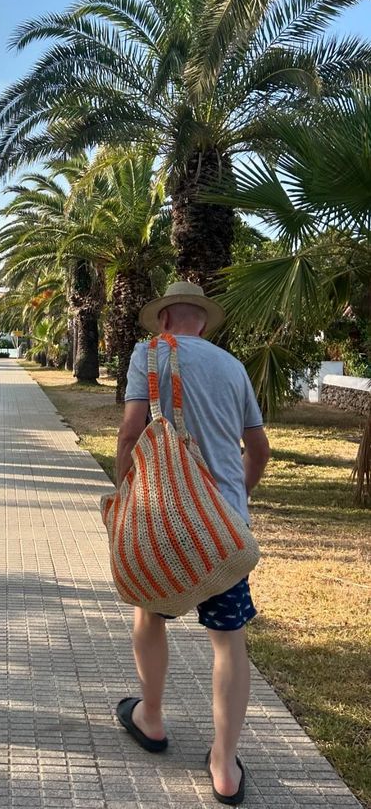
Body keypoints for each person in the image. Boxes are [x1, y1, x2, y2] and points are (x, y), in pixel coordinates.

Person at [114, 281, 270, 807]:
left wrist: (123, 496)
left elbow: (131, 432)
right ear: (202, 323)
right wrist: (234, 497)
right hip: (224, 528)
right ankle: (224, 766)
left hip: (165, 521)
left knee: (151, 613)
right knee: (229, 638)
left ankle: (151, 718)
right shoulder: (232, 366)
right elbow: (259, 447)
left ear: (164, 321)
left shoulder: (148, 354)